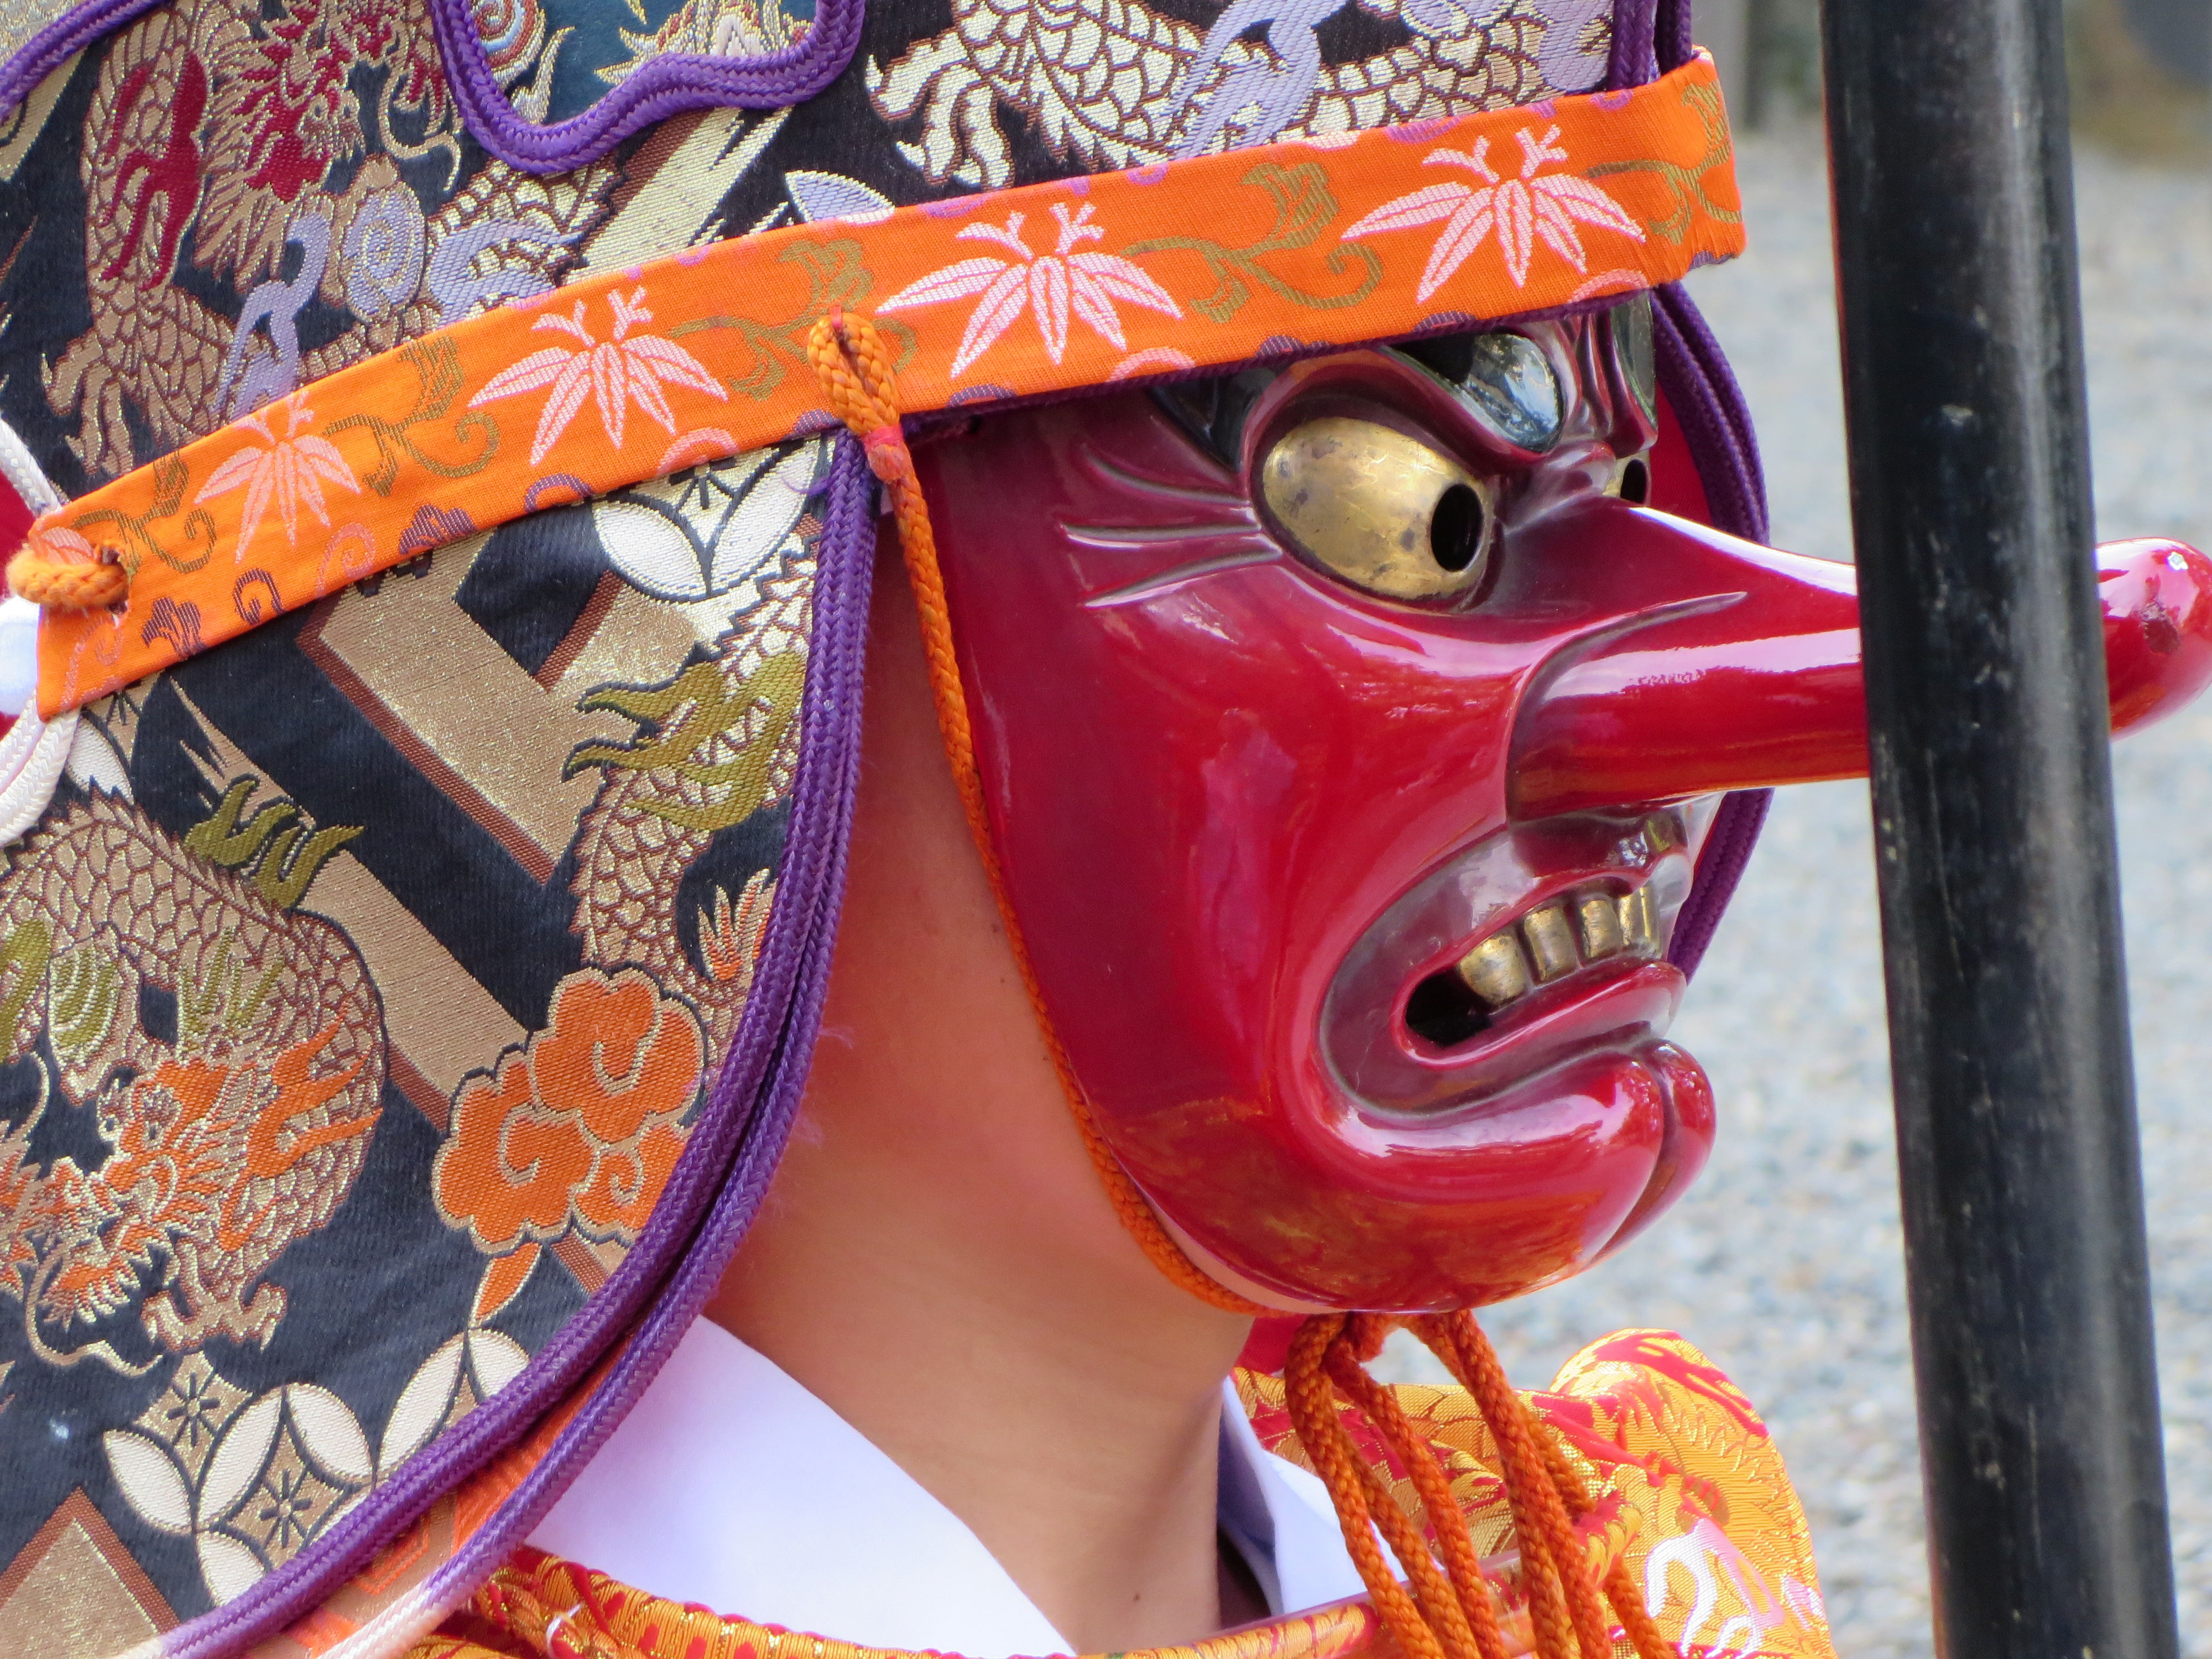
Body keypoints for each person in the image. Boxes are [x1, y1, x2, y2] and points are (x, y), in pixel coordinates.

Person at [0, 2, 2206, 1657]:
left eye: (1612, 495)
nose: (1689, 716)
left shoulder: (1612, 1560)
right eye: (1411, 518)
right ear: (660, 675)